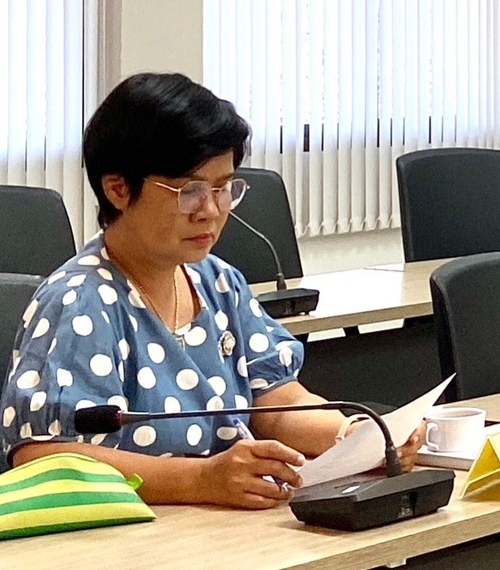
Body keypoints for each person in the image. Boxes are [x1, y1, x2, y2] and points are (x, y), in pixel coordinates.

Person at [2, 73, 423, 507]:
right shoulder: (79, 301)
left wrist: (354, 437)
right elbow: (42, 457)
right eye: (189, 191)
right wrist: (199, 479)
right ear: (118, 189)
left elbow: (276, 401)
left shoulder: (217, 281)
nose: (210, 211)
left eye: (223, 189)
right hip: (135, 537)